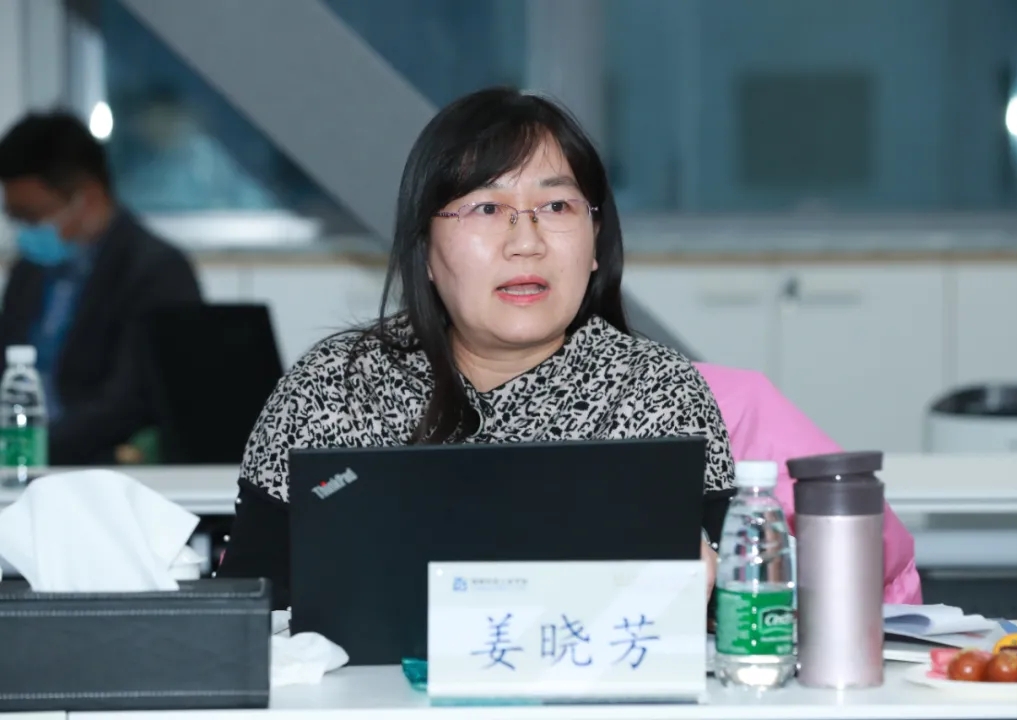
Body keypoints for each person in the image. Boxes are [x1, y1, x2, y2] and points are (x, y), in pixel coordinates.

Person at [217, 87, 736, 609]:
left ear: (595, 240)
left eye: (557, 206)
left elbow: (729, 620)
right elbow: (245, 619)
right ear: (425, 248)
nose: (526, 242)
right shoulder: (334, 389)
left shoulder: (656, 393)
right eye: (487, 208)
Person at [0, 111, 202, 465]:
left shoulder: (156, 272)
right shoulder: (29, 271)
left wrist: (32, 450)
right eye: (16, 218)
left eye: (33, 216)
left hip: (101, 467)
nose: (26, 230)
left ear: (88, 198)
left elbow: (127, 403)